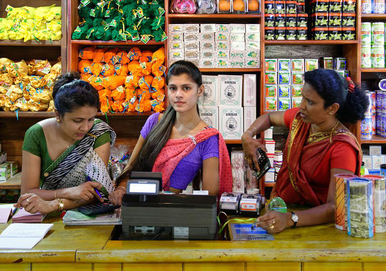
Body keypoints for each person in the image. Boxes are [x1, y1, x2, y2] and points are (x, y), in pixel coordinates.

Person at [242, 69, 368, 234]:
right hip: (280, 214)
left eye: (310, 101)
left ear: (332, 108)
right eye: (303, 97)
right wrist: (248, 135)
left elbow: (335, 206)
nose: (301, 105)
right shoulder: (300, 120)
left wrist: (290, 219)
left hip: (317, 227)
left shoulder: (342, 147)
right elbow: (269, 117)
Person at [109, 60, 232, 205]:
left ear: (200, 90)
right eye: (173, 88)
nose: (178, 95)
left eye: (186, 88)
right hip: (138, 205)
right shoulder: (155, 121)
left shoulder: (208, 138)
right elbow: (132, 166)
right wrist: (122, 189)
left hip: (173, 210)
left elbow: (209, 196)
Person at [15, 72, 116, 214]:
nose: (86, 127)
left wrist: (57, 204)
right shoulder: (36, 134)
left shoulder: (98, 132)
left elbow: (98, 191)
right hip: (44, 213)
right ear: (58, 115)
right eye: (77, 121)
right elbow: (27, 193)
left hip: (87, 214)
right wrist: (69, 192)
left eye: (91, 119)